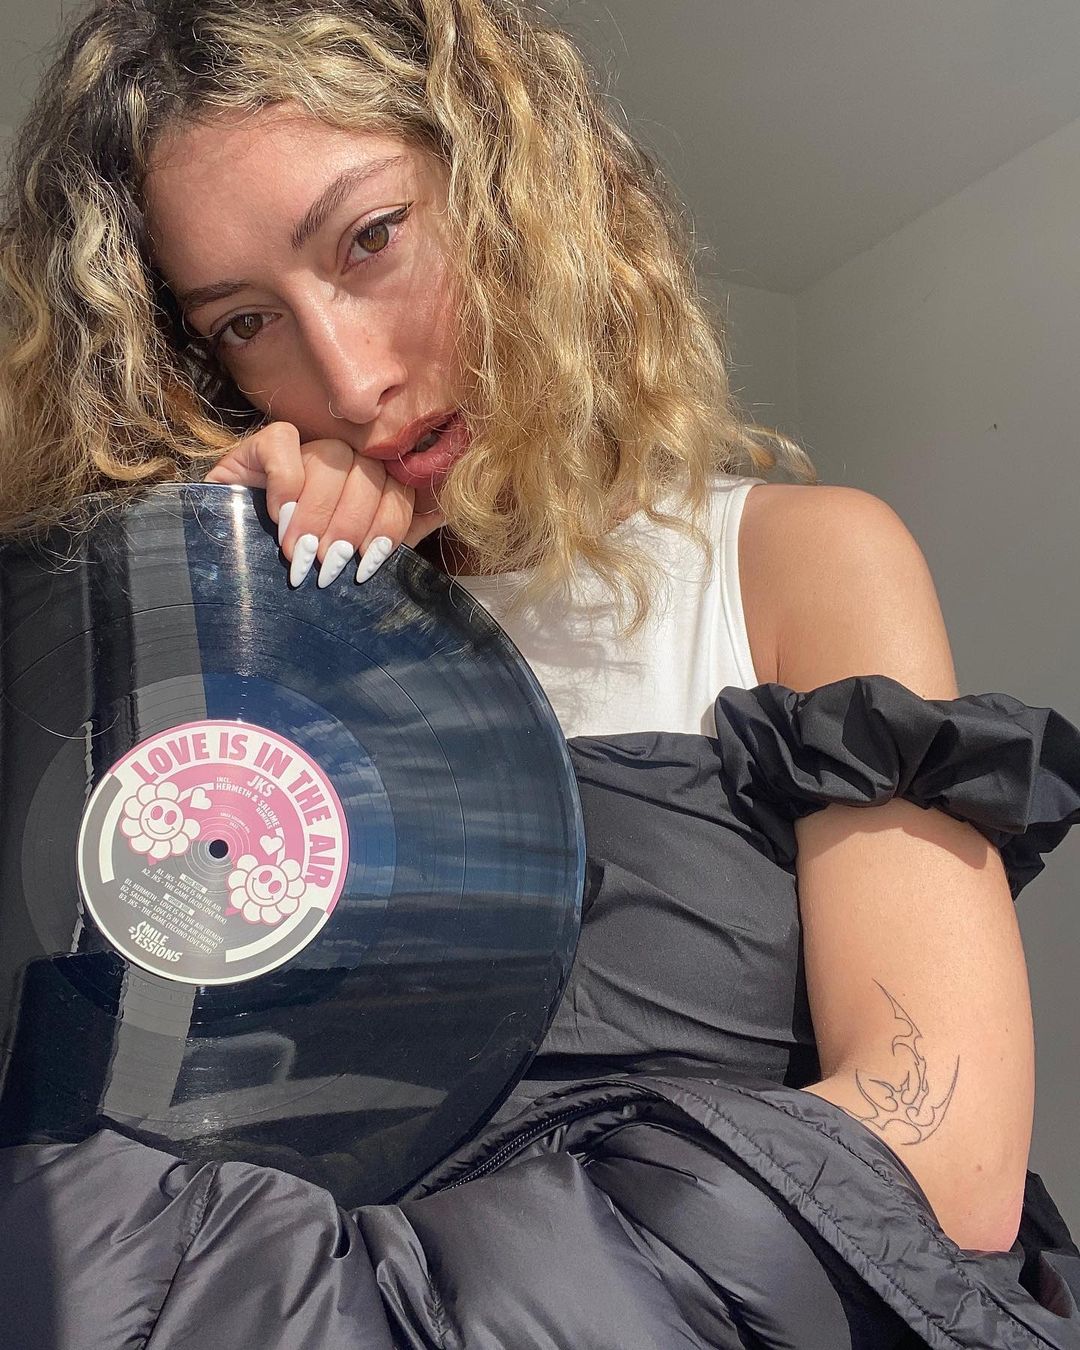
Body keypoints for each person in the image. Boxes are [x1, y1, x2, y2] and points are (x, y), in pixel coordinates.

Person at [1, 2, 1079, 1346]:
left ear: (514, 183)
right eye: (245, 322)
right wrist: (232, 625)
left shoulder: (799, 563)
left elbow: (943, 1161)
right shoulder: (238, 653)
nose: (349, 379)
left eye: (370, 238)